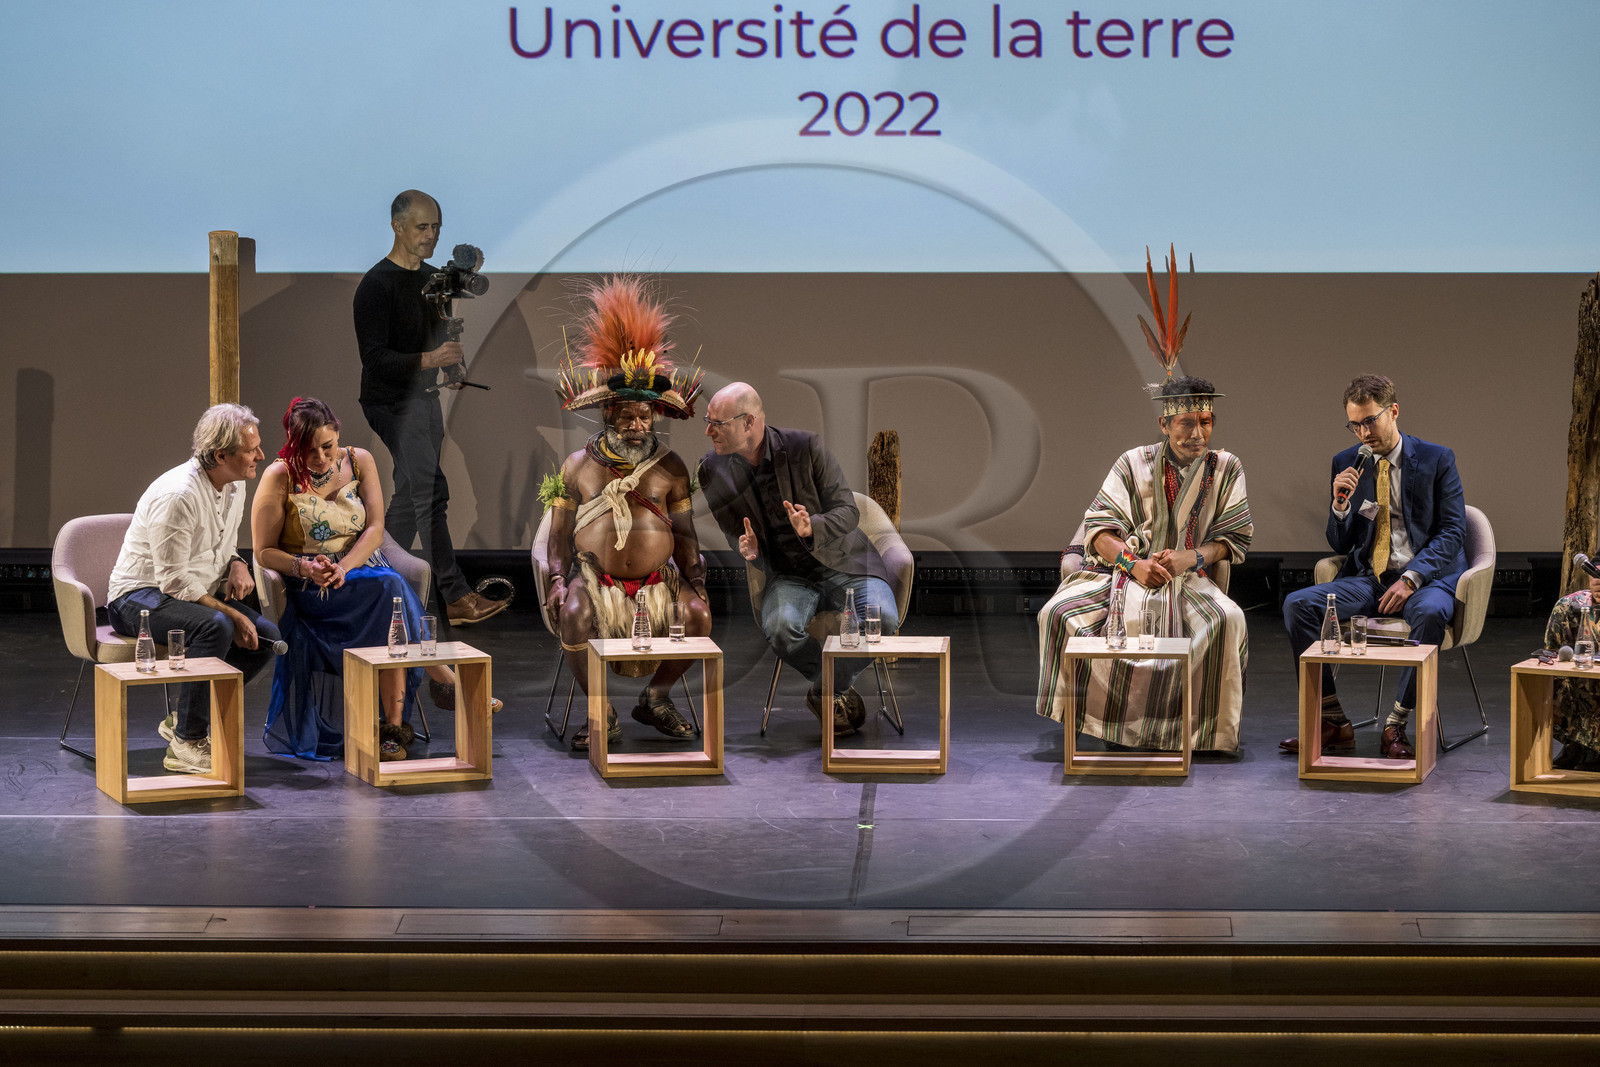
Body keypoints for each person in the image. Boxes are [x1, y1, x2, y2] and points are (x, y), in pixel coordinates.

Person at [251, 397, 501, 762]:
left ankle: (393, 730)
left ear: (338, 435)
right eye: (309, 450)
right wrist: (309, 569)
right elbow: (262, 551)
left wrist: (346, 567)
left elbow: (375, 527)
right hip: (313, 587)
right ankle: (447, 683)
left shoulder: (359, 459)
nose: (320, 457)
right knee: (392, 591)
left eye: (327, 446)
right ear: (293, 444)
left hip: (360, 571)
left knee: (390, 598)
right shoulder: (279, 475)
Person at [1035, 376, 1253, 753]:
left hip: (1188, 580)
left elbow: (1231, 539)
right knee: (1056, 613)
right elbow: (1099, 531)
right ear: (1164, 425)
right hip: (1121, 575)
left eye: (1206, 421)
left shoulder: (1226, 467)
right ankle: (1105, 722)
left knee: (1229, 620)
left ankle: (1200, 733)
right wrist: (1134, 565)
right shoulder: (1132, 462)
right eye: (1186, 423)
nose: (1198, 433)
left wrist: (1192, 556)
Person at [544, 276, 712, 750]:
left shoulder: (671, 468)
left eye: (644, 417)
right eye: (626, 417)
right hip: (598, 582)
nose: (636, 426)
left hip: (659, 582)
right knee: (575, 615)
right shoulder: (578, 465)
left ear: (655, 416)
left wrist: (695, 578)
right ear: (608, 416)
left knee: (698, 618)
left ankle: (656, 697)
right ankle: (603, 710)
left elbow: (685, 533)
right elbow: (558, 535)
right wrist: (558, 579)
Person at [1281, 374, 1467, 759]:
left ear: (1393, 412)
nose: (1363, 432)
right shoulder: (1347, 463)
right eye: (1355, 424)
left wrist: (1413, 578)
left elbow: (1453, 531)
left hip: (1426, 578)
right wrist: (1340, 506)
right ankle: (1332, 720)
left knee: (1430, 613)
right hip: (1370, 578)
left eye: (1371, 421)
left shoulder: (1436, 458)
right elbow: (1340, 544)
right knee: (1298, 605)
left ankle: (1396, 724)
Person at [699, 382, 900, 736]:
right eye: (708, 420)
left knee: (883, 619)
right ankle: (835, 687)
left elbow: (849, 512)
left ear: (748, 423)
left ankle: (825, 691)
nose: (708, 430)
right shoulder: (712, 470)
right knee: (780, 629)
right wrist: (745, 548)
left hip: (847, 564)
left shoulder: (805, 447)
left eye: (718, 422)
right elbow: (734, 532)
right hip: (789, 574)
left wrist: (813, 526)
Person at [354, 188, 505, 627]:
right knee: (431, 492)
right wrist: (429, 361)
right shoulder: (375, 285)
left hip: (424, 399)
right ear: (397, 226)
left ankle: (374, 581)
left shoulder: (435, 280)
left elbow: (442, 337)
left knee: (410, 498)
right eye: (422, 227)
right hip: (389, 403)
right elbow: (375, 360)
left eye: (436, 227)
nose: (431, 235)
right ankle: (455, 597)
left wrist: (453, 365)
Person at [107, 404, 282, 774]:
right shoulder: (179, 495)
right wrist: (231, 613)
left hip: (187, 591)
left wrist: (237, 563)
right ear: (221, 455)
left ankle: (184, 716)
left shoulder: (235, 486)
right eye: (252, 450)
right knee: (216, 626)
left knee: (266, 637)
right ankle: (186, 741)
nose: (261, 456)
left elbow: (224, 544)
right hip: (137, 595)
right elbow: (171, 580)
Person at [1544, 573, 1600, 770]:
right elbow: (1553, 651)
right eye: (1595, 574)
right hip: (1585, 673)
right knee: (1553, 677)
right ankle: (1576, 743)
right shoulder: (1571, 606)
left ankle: (1594, 748)